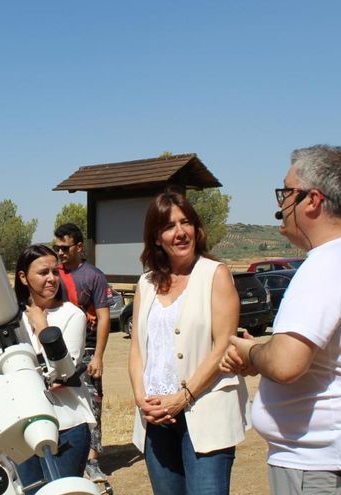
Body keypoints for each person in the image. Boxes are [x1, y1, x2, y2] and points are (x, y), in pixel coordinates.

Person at [220, 145, 341, 494]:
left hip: (324, 466)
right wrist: (263, 353)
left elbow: (285, 364)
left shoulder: (328, 264)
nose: (281, 205)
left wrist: (250, 353)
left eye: (286, 192)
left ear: (313, 200)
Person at [127, 189, 249, 495]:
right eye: (169, 226)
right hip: (156, 418)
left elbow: (223, 346)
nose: (180, 232)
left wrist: (182, 397)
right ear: (156, 238)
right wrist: (142, 399)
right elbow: (138, 348)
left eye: (186, 223)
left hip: (205, 412)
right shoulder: (146, 283)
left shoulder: (215, 275)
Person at [13, 244, 96, 493]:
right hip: (23, 428)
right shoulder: (12, 320)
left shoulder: (72, 315)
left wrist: (42, 326)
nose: (52, 278)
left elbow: (61, 375)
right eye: (43, 272)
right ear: (23, 277)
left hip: (67, 427)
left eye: (55, 271)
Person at [53, 223, 112, 482]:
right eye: (57, 248)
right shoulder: (52, 274)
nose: (60, 252)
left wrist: (98, 356)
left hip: (86, 350)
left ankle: (92, 461)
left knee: (92, 403)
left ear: (79, 247)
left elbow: (104, 316)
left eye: (65, 248)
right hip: (56, 351)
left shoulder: (94, 276)